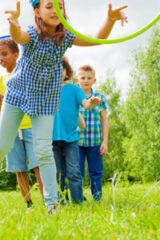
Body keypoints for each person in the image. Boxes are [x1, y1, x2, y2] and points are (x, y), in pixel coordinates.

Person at [0, 0, 127, 214]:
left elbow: (96, 40)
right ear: (37, 12)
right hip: (17, 94)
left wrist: (110, 20)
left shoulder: (65, 37)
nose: (56, 10)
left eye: (60, 6)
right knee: (3, 145)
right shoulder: (31, 33)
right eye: (50, 6)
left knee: (44, 152)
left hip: (45, 99)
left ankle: (52, 204)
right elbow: (18, 36)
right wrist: (13, 23)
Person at [0, 38, 44, 208]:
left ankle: (47, 201)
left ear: (16, 54)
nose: (1, 58)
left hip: (30, 125)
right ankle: (28, 203)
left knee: (38, 164)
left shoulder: (25, 74)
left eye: (4, 54)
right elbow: (1, 114)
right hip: (12, 130)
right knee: (18, 167)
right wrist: (0, 101)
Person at [52, 57, 100, 205]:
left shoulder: (74, 89)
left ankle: (77, 202)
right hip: (52, 138)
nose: (58, 71)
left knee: (74, 172)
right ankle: (62, 201)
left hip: (71, 138)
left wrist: (90, 102)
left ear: (67, 71)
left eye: (61, 68)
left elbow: (86, 105)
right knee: (59, 173)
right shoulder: (47, 90)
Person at [78, 65, 109, 201]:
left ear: (94, 80)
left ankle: (97, 197)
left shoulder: (99, 97)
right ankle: (78, 197)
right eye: (83, 78)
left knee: (96, 172)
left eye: (89, 78)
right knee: (77, 172)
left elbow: (104, 120)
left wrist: (105, 141)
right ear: (77, 80)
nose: (86, 80)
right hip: (76, 141)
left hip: (95, 141)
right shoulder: (75, 96)